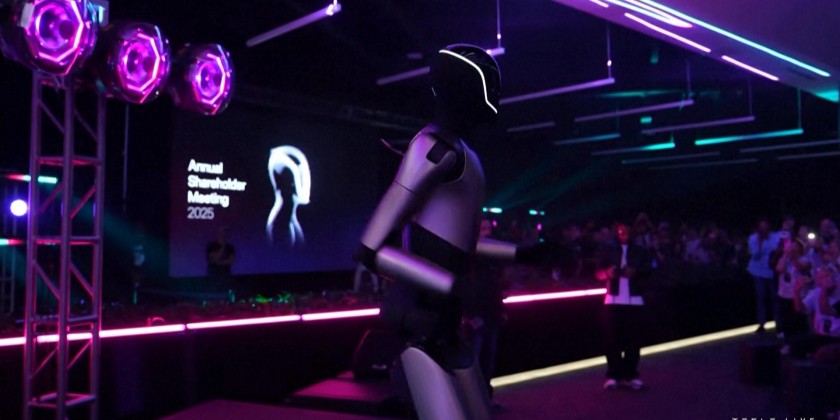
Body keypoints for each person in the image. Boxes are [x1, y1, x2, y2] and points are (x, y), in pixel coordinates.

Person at [595, 222, 650, 391]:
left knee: (633, 340)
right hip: (613, 299)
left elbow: (649, 271)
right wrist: (607, 273)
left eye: (626, 230)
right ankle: (614, 375)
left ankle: (630, 375)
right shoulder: (608, 249)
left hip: (635, 299)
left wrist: (636, 272)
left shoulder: (640, 250)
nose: (623, 233)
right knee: (611, 340)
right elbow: (597, 273)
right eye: (620, 230)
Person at [747, 218, 780, 333]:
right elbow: (755, 255)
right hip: (758, 272)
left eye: (765, 226)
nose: (764, 229)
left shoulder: (776, 236)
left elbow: (778, 250)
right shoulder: (753, 238)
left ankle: (778, 322)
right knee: (761, 298)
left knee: (775, 298)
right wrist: (760, 243)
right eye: (761, 227)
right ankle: (762, 323)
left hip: (772, 271)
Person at [206, 226, 235, 294]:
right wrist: (222, 247)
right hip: (214, 275)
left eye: (225, 234)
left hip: (225, 275)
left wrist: (219, 263)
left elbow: (231, 261)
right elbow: (215, 258)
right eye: (222, 233)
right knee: (214, 293)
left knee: (225, 292)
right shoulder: (211, 246)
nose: (223, 235)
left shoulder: (230, 247)